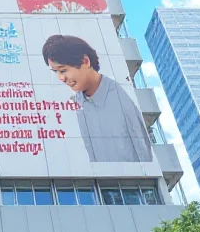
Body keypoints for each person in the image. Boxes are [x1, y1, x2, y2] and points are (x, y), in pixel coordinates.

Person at [42, 34, 152, 163]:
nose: (61, 78)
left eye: (63, 70)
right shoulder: (75, 105)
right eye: (56, 72)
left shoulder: (119, 97)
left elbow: (145, 155)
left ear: (85, 62)